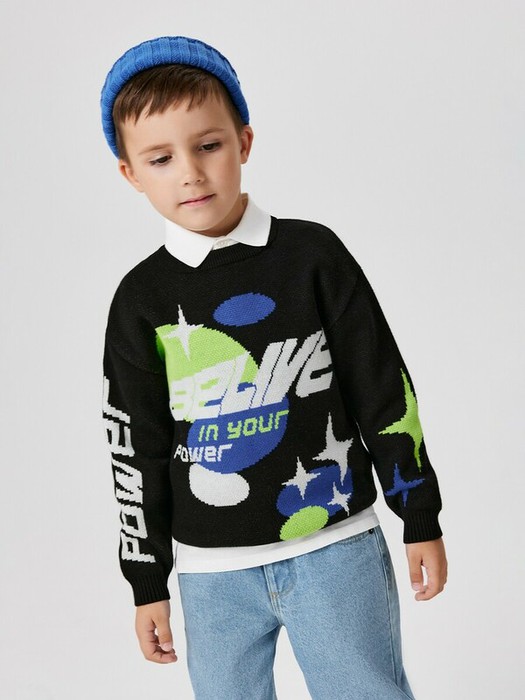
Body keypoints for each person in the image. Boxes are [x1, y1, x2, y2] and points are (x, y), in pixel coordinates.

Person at [100, 35, 447, 700]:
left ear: (244, 142)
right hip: (211, 574)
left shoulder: (312, 257)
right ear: (131, 174)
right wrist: (146, 581)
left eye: (208, 145)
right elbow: (134, 448)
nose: (190, 173)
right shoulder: (141, 300)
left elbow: (382, 387)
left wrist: (419, 513)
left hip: (336, 547)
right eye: (161, 158)